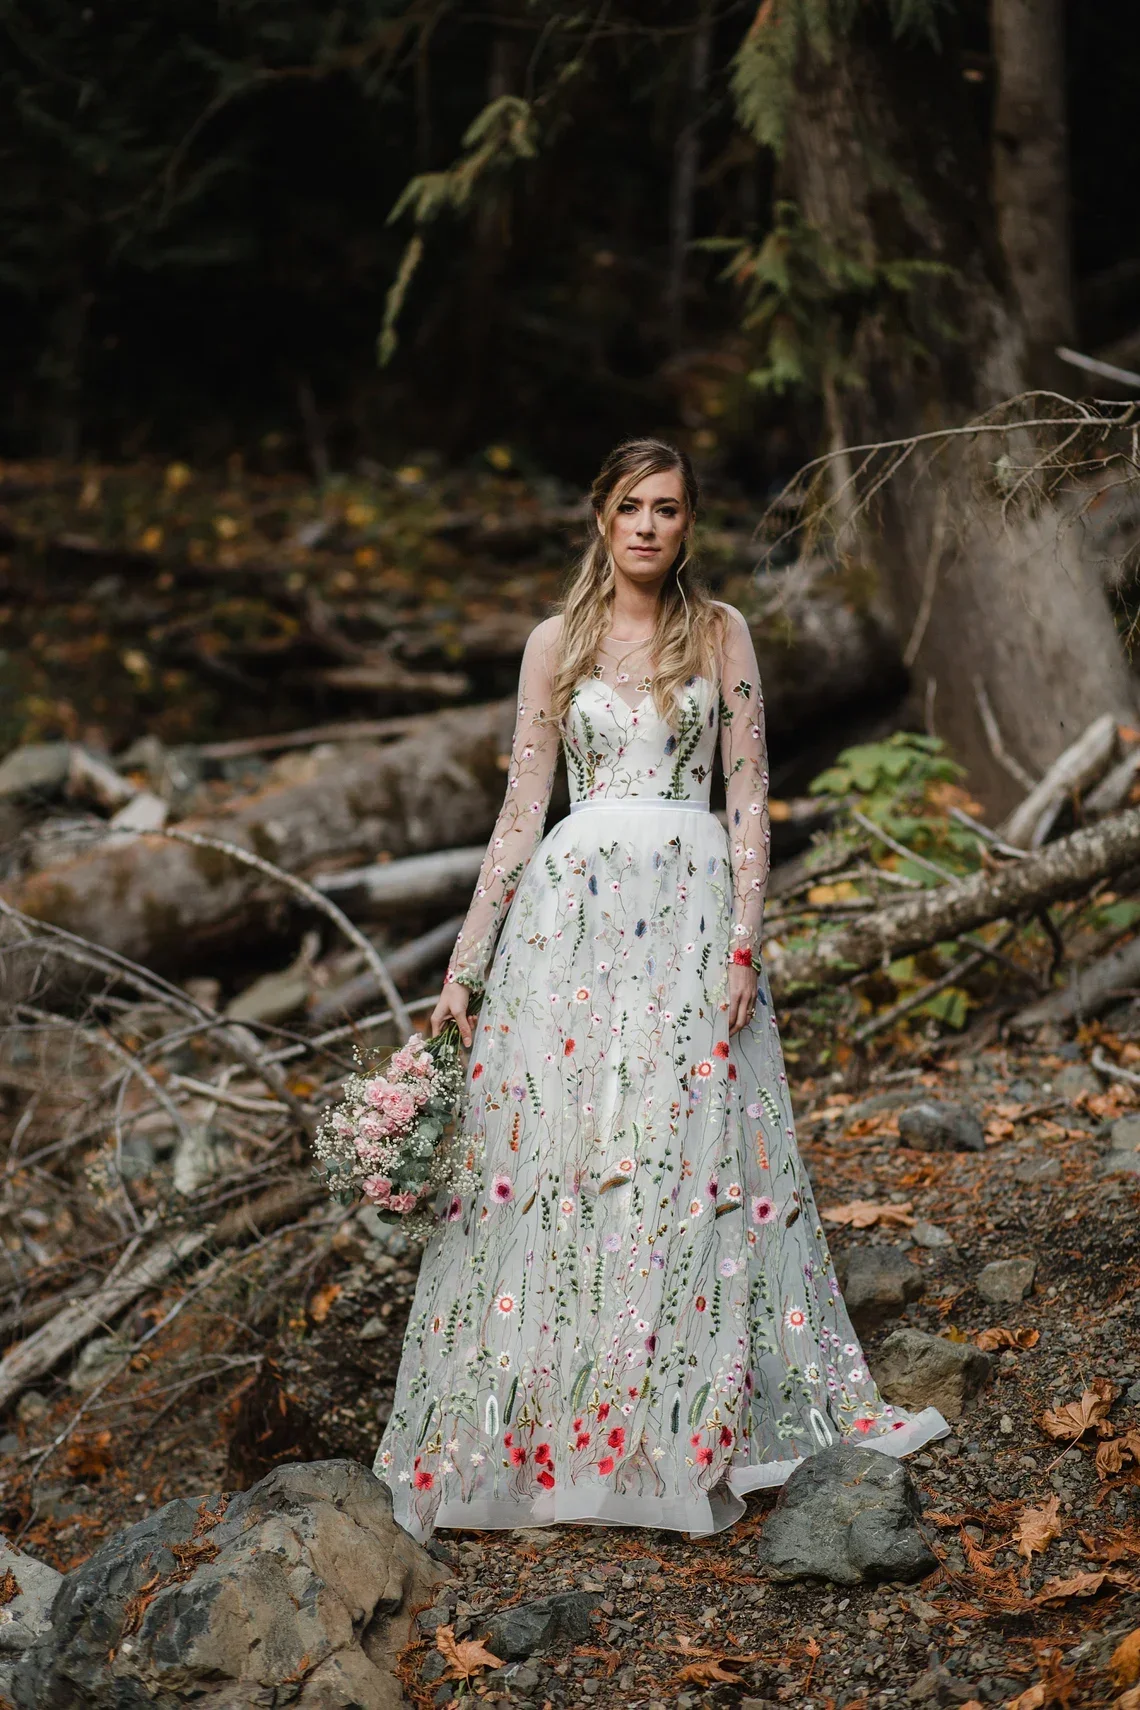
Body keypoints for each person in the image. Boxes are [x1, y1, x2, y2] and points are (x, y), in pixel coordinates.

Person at [374, 437, 948, 1538]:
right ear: (601, 518)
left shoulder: (721, 632)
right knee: (572, 1153)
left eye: (669, 509)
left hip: (687, 918)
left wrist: (743, 942)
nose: (648, 525)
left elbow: (749, 796)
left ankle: (680, 1420)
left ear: (689, 525)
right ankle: (566, 1425)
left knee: (686, 1153)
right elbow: (519, 811)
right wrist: (466, 971)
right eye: (631, 506)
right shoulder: (557, 643)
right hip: (571, 930)